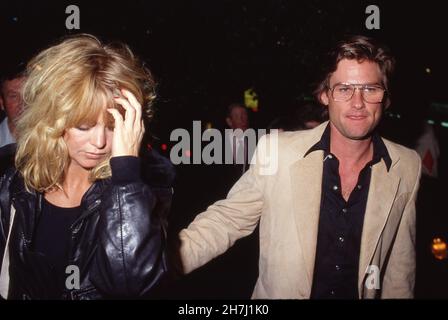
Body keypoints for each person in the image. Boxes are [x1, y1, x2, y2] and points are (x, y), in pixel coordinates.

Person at [176, 35, 421, 299]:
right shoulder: (277, 151)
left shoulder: (407, 165)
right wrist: (162, 264)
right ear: (325, 95)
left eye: (370, 89)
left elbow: (399, 268)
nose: (358, 102)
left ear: (385, 98)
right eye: (344, 89)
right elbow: (227, 220)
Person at [0, 34, 166, 299]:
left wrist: (126, 175)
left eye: (112, 127)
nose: (99, 142)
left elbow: (131, 285)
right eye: (84, 126)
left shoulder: (140, 190)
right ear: (53, 117)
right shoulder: (13, 181)